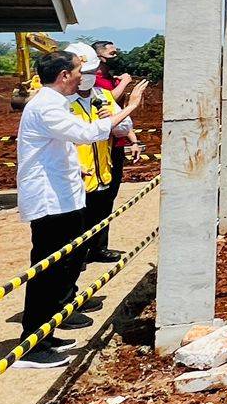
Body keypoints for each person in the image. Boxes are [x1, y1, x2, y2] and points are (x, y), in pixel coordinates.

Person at [14, 52, 147, 369]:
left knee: (63, 267)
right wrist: (130, 106)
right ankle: (31, 346)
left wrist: (75, 171)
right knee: (48, 271)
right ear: (63, 75)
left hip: (63, 198)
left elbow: (60, 147)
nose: (83, 77)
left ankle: (44, 335)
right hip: (50, 202)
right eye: (78, 71)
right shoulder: (46, 105)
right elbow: (87, 134)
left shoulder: (55, 103)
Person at [67, 45, 133, 264]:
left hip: (103, 167)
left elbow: (126, 127)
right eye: (84, 73)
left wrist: (111, 120)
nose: (88, 78)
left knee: (102, 210)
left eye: (91, 72)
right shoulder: (63, 101)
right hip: (78, 172)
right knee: (78, 218)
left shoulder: (102, 95)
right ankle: (79, 255)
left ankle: (98, 248)